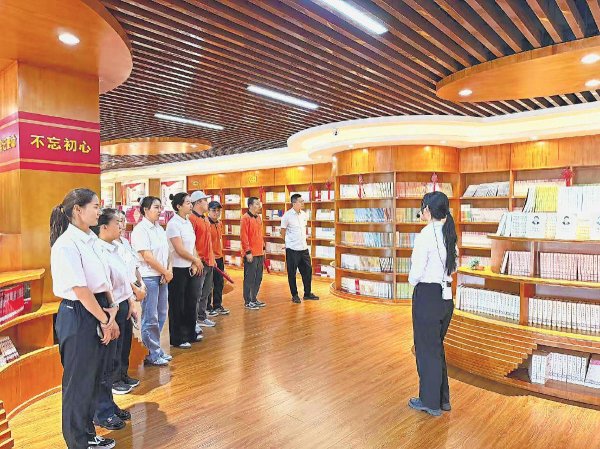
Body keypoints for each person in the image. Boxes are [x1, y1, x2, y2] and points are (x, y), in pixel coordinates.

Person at [50, 188, 119, 449]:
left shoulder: (91, 239)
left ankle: (88, 434)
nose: (99, 211)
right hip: (79, 313)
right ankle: (77, 441)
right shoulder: (66, 244)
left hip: (98, 309)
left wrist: (111, 309)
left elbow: (102, 280)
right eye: (95, 206)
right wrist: (105, 319)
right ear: (78, 210)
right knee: (78, 382)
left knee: (93, 378)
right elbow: (80, 290)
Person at [407, 191, 458, 417]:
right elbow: (454, 267)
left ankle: (430, 402)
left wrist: (412, 280)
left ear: (427, 209)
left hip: (427, 296)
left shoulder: (425, 235)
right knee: (435, 348)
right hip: (446, 298)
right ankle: (442, 399)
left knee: (426, 350)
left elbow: (416, 273)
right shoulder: (450, 233)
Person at [91, 209, 138, 431]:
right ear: (103, 227)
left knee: (114, 360)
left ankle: (109, 404)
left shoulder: (116, 247)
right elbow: (105, 285)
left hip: (121, 306)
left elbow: (124, 279)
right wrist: (112, 314)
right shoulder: (98, 249)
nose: (121, 226)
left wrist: (130, 301)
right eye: (116, 223)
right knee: (105, 363)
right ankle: (101, 411)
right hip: (110, 310)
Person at [131, 196, 173, 366]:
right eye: (156, 207)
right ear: (145, 210)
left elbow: (167, 252)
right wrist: (164, 271)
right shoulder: (140, 230)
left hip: (162, 276)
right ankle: (152, 353)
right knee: (150, 316)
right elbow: (147, 257)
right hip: (149, 277)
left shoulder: (159, 228)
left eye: (160, 207)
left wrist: (167, 270)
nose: (160, 210)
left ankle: (155, 348)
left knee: (161, 313)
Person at [166, 193, 204, 349]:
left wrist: (195, 261)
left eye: (190, 202)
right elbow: (179, 249)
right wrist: (196, 260)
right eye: (187, 203)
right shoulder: (173, 224)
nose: (190, 205)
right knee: (178, 304)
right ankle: (178, 338)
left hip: (190, 267)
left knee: (191, 301)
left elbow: (192, 245)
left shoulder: (187, 222)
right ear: (178, 206)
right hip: (178, 269)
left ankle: (190, 333)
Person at [112, 210, 145, 392]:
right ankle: (115, 379)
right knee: (116, 342)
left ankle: (123, 374)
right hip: (119, 297)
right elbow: (121, 275)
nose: (122, 225)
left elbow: (134, 267)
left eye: (123, 221)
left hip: (129, 295)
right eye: (118, 221)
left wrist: (141, 285)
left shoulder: (125, 242)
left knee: (126, 339)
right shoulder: (106, 246)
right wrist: (135, 289)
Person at [280, 194, 319, 303]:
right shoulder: (287, 216)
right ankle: (295, 295)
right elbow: (282, 232)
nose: (303, 203)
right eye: (300, 201)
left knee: (307, 271)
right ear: (294, 203)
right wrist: (288, 242)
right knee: (292, 273)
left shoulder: (304, 215)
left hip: (304, 248)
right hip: (292, 249)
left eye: (303, 201)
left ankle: (307, 293)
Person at [188, 191, 217, 329]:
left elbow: (208, 242)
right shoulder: (191, 219)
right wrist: (195, 261)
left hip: (209, 261)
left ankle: (201, 316)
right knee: (196, 293)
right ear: (198, 202)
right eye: (205, 200)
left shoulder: (205, 219)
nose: (207, 203)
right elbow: (191, 243)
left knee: (206, 292)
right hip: (199, 263)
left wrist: (212, 258)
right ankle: (193, 320)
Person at [241, 197, 267, 310]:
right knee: (249, 278)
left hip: (259, 252)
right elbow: (244, 236)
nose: (259, 206)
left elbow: (260, 234)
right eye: (256, 204)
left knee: (258, 277)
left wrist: (263, 248)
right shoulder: (245, 218)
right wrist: (248, 252)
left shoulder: (259, 217)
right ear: (250, 206)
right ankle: (248, 301)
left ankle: (254, 298)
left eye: (259, 203)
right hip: (251, 253)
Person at [207, 201, 230, 316]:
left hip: (219, 257)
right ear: (208, 211)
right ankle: (207, 307)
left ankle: (217, 305)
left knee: (219, 283)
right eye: (214, 210)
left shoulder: (220, 223)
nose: (216, 213)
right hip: (209, 258)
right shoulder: (206, 223)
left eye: (218, 210)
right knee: (208, 284)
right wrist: (211, 257)